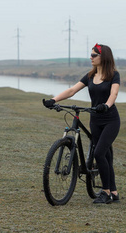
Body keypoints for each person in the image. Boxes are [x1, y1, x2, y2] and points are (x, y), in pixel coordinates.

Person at [43, 43, 120, 204]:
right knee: (104, 154)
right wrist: (53, 100)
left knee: (99, 153)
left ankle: (106, 192)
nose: (90, 58)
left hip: (110, 120)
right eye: (90, 55)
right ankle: (114, 192)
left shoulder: (113, 75)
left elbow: (114, 94)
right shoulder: (90, 75)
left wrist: (106, 105)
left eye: (94, 55)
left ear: (103, 57)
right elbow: (72, 90)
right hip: (95, 119)